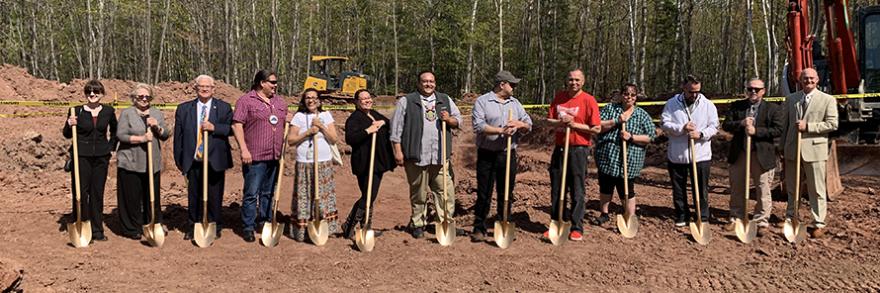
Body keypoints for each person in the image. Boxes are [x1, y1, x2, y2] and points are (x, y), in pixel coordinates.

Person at [390, 70, 463, 239]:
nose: (429, 84)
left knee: (445, 191)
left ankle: (445, 222)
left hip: (440, 156)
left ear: (435, 83)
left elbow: (459, 121)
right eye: (425, 81)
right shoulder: (406, 101)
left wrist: (449, 120)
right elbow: (396, 128)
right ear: (418, 83)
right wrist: (398, 151)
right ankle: (418, 223)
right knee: (419, 192)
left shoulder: (444, 99)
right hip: (416, 156)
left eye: (431, 81)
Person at [469, 70, 532, 242]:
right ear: (501, 84)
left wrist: (519, 125)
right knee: (484, 192)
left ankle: (504, 221)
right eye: (512, 84)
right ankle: (479, 227)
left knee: (506, 192)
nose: (514, 87)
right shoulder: (483, 101)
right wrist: (500, 130)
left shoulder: (515, 103)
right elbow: (478, 125)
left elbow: (529, 124)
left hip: (507, 154)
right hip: (487, 154)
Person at [173, 75, 234, 240]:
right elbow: (178, 136)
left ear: (214, 88)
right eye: (201, 86)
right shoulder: (184, 109)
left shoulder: (224, 107)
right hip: (194, 159)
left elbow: (231, 129)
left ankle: (214, 224)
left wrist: (214, 127)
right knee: (194, 195)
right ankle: (193, 226)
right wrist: (179, 159)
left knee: (215, 195)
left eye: (208, 86)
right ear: (195, 88)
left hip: (215, 160)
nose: (205, 89)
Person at [780, 68, 838, 238]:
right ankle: (791, 217)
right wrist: (782, 147)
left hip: (815, 150)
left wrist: (809, 127)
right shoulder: (791, 99)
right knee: (792, 188)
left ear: (818, 79)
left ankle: (818, 222)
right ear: (800, 80)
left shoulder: (827, 100)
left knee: (816, 189)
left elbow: (832, 124)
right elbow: (786, 126)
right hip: (792, 150)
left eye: (812, 78)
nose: (809, 81)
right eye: (805, 78)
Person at [544, 69, 601, 241]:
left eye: (577, 80)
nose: (573, 83)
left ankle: (577, 226)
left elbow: (596, 128)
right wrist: (561, 122)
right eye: (570, 79)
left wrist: (574, 124)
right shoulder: (559, 97)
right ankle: (557, 221)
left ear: (583, 82)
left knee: (577, 189)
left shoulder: (589, 100)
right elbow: (549, 121)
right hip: (560, 148)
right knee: (557, 188)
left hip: (579, 149)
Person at [232, 70, 288, 242]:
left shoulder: (280, 102)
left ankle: (263, 221)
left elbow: (285, 122)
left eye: (276, 82)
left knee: (268, 192)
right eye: (272, 82)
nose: (275, 85)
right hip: (254, 156)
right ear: (261, 83)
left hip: (274, 155)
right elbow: (236, 125)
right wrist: (244, 149)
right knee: (251, 193)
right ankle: (248, 226)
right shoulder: (246, 100)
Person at [721, 78, 783, 235]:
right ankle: (736, 217)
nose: (753, 92)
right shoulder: (737, 106)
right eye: (750, 89)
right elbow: (726, 125)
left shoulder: (773, 109)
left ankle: (761, 220)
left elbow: (778, 129)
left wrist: (757, 131)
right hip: (740, 153)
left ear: (763, 91)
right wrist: (741, 123)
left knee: (763, 188)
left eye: (756, 89)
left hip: (761, 154)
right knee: (737, 186)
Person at [592, 83, 656, 226]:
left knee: (626, 187)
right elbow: (598, 127)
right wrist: (617, 121)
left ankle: (630, 215)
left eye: (632, 95)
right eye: (626, 94)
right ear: (621, 95)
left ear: (636, 97)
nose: (629, 97)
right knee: (606, 185)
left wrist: (631, 137)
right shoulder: (610, 109)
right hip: (608, 157)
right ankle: (604, 213)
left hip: (630, 160)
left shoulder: (642, 115)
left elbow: (650, 136)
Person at [660, 75, 719, 227]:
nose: (694, 95)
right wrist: (681, 128)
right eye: (690, 92)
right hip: (678, 155)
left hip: (700, 155)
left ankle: (702, 216)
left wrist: (701, 134)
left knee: (701, 189)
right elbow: (664, 123)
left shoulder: (708, 105)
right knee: (678, 188)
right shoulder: (672, 104)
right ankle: (681, 214)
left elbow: (714, 126)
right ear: (683, 88)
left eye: (697, 91)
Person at [63, 80, 117, 242]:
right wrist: (69, 124)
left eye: (96, 92)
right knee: (81, 192)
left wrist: (110, 147)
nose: (92, 95)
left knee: (96, 193)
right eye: (89, 92)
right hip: (81, 156)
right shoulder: (75, 111)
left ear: (102, 94)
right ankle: (81, 224)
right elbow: (67, 134)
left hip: (101, 157)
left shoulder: (108, 111)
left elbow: (115, 130)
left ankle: (97, 229)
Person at [116, 83, 171, 240]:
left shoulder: (156, 113)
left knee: (152, 196)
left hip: (151, 162)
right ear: (134, 98)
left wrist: (157, 127)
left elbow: (165, 134)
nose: (144, 99)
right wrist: (141, 139)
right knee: (131, 197)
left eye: (147, 97)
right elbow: (121, 135)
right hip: (131, 161)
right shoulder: (127, 113)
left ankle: (152, 222)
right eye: (140, 96)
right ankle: (131, 228)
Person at [341, 89, 396, 239]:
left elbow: (390, 123)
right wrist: (368, 130)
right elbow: (350, 138)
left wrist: (383, 122)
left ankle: (366, 227)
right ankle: (348, 225)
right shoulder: (354, 118)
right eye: (363, 99)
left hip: (378, 163)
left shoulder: (375, 114)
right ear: (356, 102)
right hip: (364, 163)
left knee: (369, 196)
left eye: (369, 98)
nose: (367, 101)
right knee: (368, 196)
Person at [287, 88, 340, 241]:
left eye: (314, 97)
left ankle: (326, 227)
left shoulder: (325, 115)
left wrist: (321, 127)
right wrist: (308, 132)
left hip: (323, 162)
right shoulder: (298, 117)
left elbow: (334, 139)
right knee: (305, 194)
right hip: (305, 162)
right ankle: (303, 230)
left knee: (323, 194)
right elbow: (291, 140)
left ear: (319, 100)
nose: (311, 100)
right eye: (307, 98)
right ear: (304, 101)